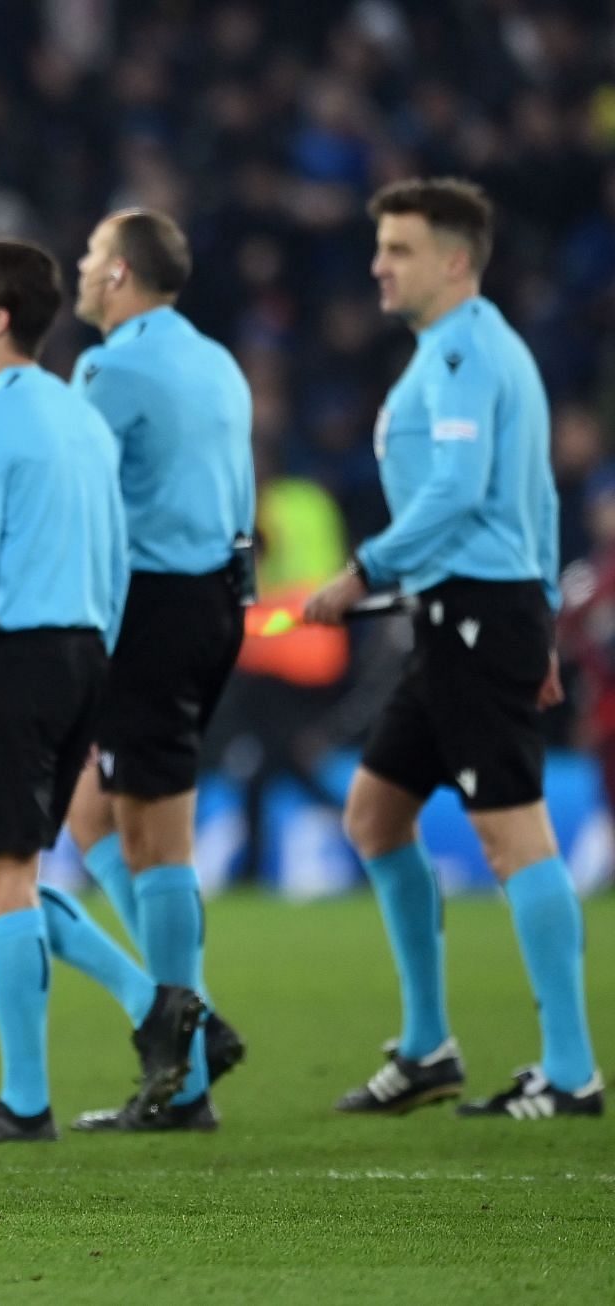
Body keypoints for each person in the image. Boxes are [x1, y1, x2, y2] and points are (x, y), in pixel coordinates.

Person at [307, 177, 602, 1119]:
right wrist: (548, 620)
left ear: (455, 260)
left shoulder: (471, 350)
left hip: (479, 615)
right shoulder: (457, 352)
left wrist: (363, 569)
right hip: (464, 618)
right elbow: (540, 502)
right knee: (373, 817)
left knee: (514, 835)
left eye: (398, 248)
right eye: (380, 245)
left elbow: (464, 491)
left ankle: (571, 1071)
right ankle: (430, 1046)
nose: (378, 265)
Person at [0, 239, 198, 1145]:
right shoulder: (79, 416)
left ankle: (30, 1101)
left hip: (16, 657)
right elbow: (115, 553)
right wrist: (95, 653)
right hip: (82, 656)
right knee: (10, 874)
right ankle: (160, 1007)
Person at [48, 210, 257, 1132]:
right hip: (217, 601)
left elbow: (74, 490)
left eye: (91, 260)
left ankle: (189, 1071)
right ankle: (183, 1021)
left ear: (121, 272)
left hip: (151, 610)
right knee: (95, 813)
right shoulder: (218, 360)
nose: (83, 275)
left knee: (156, 839)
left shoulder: (109, 366)